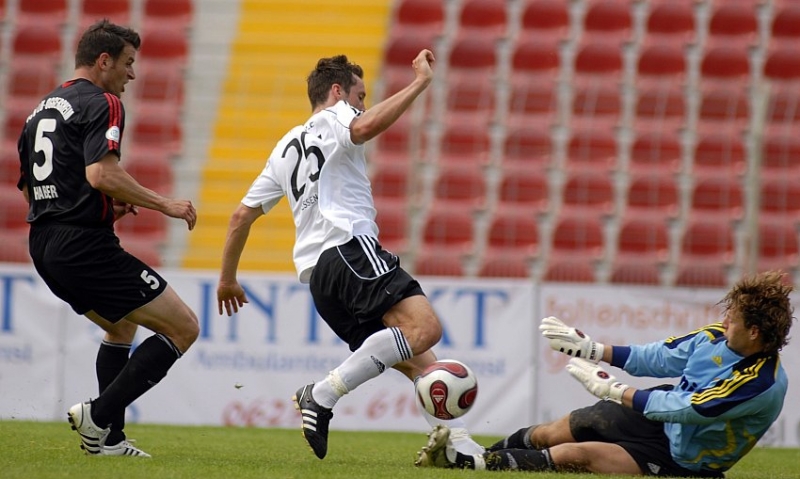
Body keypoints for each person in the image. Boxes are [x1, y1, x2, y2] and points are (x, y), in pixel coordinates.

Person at [216, 51, 483, 459]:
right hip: (348, 247)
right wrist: (419, 84)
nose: (362, 102)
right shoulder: (335, 115)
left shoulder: (285, 146)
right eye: (360, 94)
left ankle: (458, 445)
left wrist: (227, 279)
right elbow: (363, 127)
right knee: (425, 328)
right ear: (337, 92)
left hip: (319, 278)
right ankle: (319, 395)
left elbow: (239, 217)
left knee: (420, 362)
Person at [16, 20, 200, 457]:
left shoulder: (39, 108)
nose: (131, 74)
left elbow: (29, 188)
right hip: (83, 245)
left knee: (122, 325)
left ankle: (109, 441)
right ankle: (98, 416)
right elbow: (102, 172)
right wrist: (165, 204)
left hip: (44, 244)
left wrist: (100, 203)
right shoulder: (104, 101)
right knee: (184, 327)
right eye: (128, 63)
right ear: (104, 61)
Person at [415, 270, 793, 477]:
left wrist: (616, 391)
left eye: (734, 318)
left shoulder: (762, 383)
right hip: (656, 416)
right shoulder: (714, 337)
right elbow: (659, 357)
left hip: (686, 461)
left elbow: (690, 408)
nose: (724, 319)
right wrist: (593, 349)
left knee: (575, 454)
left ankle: (467, 465)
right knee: (557, 429)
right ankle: (477, 454)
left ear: (755, 332)